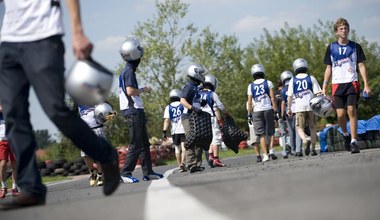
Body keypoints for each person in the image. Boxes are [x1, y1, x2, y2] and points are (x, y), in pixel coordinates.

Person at [0, 0, 120, 210]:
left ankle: (106, 156)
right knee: (13, 114)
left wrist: (78, 31)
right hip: (9, 41)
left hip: (44, 36)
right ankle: (31, 188)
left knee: (55, 109)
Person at [322, 17, 371, 154]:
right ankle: (345, 134)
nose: (344, 31)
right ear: (336, 32)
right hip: (337, 84)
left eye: (345, 28)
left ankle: (354, 141)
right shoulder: (331, 47)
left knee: (351, 110)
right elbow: (328, 68)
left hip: (352, 82)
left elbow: (361, 65)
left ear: (348, 30)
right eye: (341, 29)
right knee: (340, 114)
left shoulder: (355, 47)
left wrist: (366, 85)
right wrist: (324, 86)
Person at [118, 36, 163, 183]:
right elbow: (130, 91)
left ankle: (148, 172)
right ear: (134, 53)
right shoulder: (129, 71)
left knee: (144, 144)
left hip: (136, 111)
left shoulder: (127, 71)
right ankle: (126, 173)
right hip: (133, 112)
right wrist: (144, 89)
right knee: (136, 144)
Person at [287, 58, 322, 156]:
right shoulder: (311, 78)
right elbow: (318, 93)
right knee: (313, 127)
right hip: (311, 106)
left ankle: (305, 140)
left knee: (300, 128)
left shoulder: (292, 80)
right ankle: (313, 149)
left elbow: (290, 96)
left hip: (299, 107)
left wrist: (289, 108)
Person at [247, 64, 278, 162]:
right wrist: (275, 111)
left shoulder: (250, 86)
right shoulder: (268, 83)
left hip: (257, 111)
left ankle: (265, 155)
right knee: (271, 131)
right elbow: (273, 98)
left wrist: (249, 114)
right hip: (268, 109)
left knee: (261, 134)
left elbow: (249, 101)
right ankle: (272, 149)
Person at [180, 64, 206, 173]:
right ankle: (191, 164)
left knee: (199, 139)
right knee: (191, 139)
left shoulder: (196, 88)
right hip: (188, 117)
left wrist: (201, 103)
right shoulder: (189, 87)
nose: (202, 76)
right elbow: (182, 100)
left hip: (196, 116)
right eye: (200, 74)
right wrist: (193, 108)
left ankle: (197, 164)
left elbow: (195, 100)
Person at [199, 74, 229, 167]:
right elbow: (220, 106)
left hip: (201, 119)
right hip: (211, 117)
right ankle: (216, 158)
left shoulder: (198, 93)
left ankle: (211, 155)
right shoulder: (212, 93)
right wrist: (226, 113)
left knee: (210, 138)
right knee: (216, 138)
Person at [77, 104, 108, 187]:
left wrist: (109, 116)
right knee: (85, 155)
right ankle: (93, 172)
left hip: (98, 129)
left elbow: (111, 111)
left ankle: (100, 175)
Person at [162, 89, 187, 172]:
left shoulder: (168, 107)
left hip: (174, 131)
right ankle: (183, 162)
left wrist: (164, 132)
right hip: (183, 130)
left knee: (177, 149)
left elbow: (166, 120)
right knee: (184, 148)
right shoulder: (183, 104)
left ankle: (179, 165)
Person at [280, 71, 303, 157]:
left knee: (291, 132)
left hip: (288, 112)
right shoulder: (295, 85)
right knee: (299, 131)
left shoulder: (283, 90)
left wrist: (282, 115)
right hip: (298, 110)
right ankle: (299, 149)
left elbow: (283, 103)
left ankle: (293, 149)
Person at [0, 104, 19, 198]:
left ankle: (14, 187)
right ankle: (3, 187)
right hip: (2, 141)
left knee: (14, 164)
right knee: (3, 164)